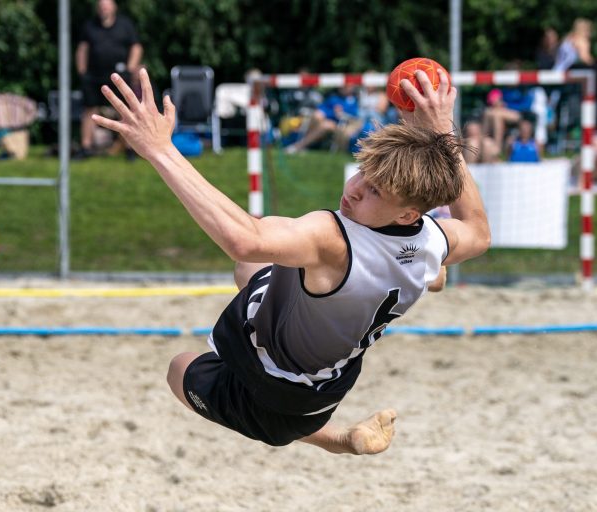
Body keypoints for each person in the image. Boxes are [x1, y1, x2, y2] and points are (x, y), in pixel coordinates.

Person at [92, 69, 490, 453]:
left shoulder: (330, 237)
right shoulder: (430, 237)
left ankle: (335, 441)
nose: (353, 190)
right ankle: (422, 282)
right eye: (361, 173)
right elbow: (478, 232)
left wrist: (161, 150)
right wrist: (442, 132)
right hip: (326, 392)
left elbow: (242, 239)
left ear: (407, 213)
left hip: (272, 391)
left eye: (374, 192)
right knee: (254, 270)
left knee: (180, 368)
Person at [74, 0, 142, 158]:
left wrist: (130, 67)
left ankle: (129, 149)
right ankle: (86, 147)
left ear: (114, 7)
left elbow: (136, 47)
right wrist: (82, 72)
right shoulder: (89, 26)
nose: (104, 8)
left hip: (119, 76)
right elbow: (82, 49)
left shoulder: (125, 25)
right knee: (89, 110)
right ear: (98, 8)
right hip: (93, 75)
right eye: (101, 5)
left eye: (107, 5)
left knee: (124, 110)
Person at [284, 85, 359, 154]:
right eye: (343, 86)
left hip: (341, 125)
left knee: (325, 125)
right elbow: (322, 109)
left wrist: (340, 114)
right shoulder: (334, 98)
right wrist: (329, 113)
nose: (344, 87)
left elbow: (354, 116)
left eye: (347, 86)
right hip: (325, 121)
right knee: (317, 115)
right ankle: (304, 142)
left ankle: (299, 145)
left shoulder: (353, 100)